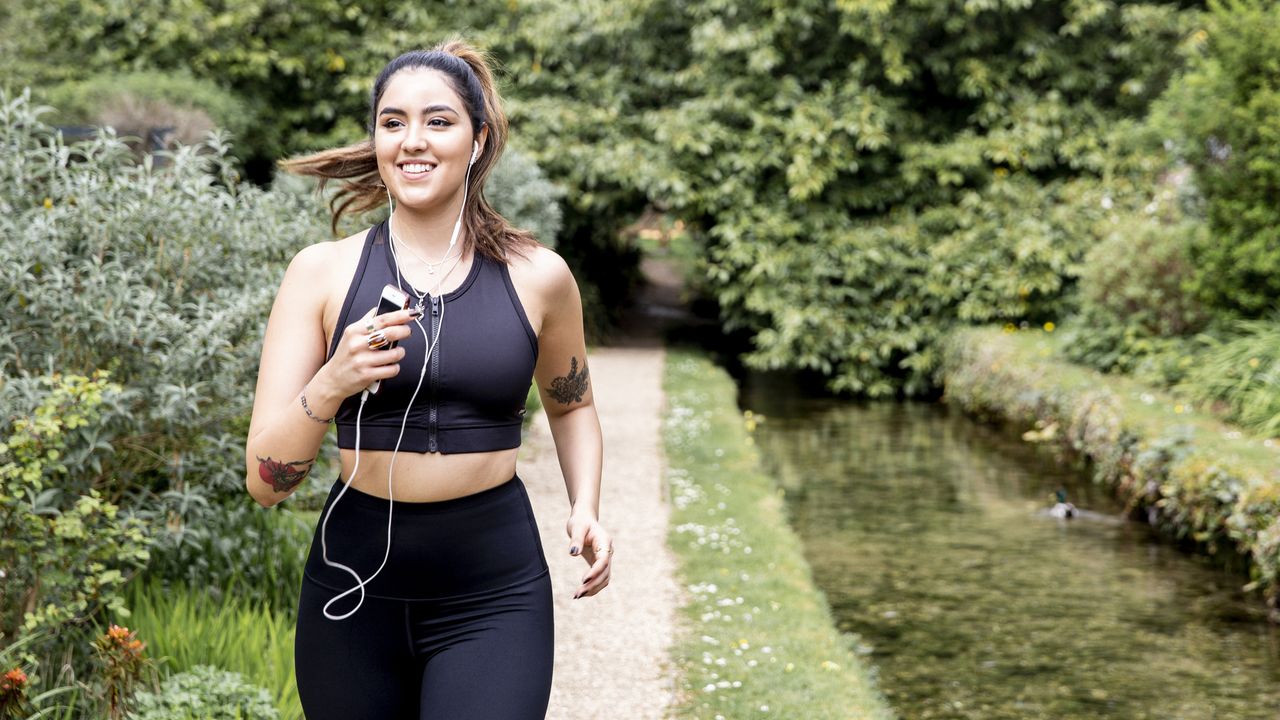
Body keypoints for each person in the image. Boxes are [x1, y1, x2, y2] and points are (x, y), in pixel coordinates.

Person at [243, 39, 612, 720]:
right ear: (377, 139)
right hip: (350, 588)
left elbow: (572, 406)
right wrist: (331, 384)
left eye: (438, 121)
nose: (413, 141)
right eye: (393, 122)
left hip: (492, 591)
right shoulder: (319, 274)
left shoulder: (539, 278)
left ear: (477, 140)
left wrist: (586, 504)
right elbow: (266, 484)